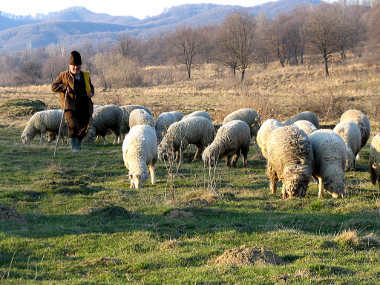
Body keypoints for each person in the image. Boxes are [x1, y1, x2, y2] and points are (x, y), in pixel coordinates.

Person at [51, 51, 94, 152]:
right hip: (70, 106)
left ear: (80, 65)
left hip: (84, 105)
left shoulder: (85, 75)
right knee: (73, 125)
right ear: (69, 65)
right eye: (73, 65)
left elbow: (91, 87)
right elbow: (53, 87)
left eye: (78, 66)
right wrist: (64, 87)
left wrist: (91, 92)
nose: (76, 68)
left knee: (83, 126)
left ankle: (78, 146)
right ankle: (74, 147)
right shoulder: (64, 75)